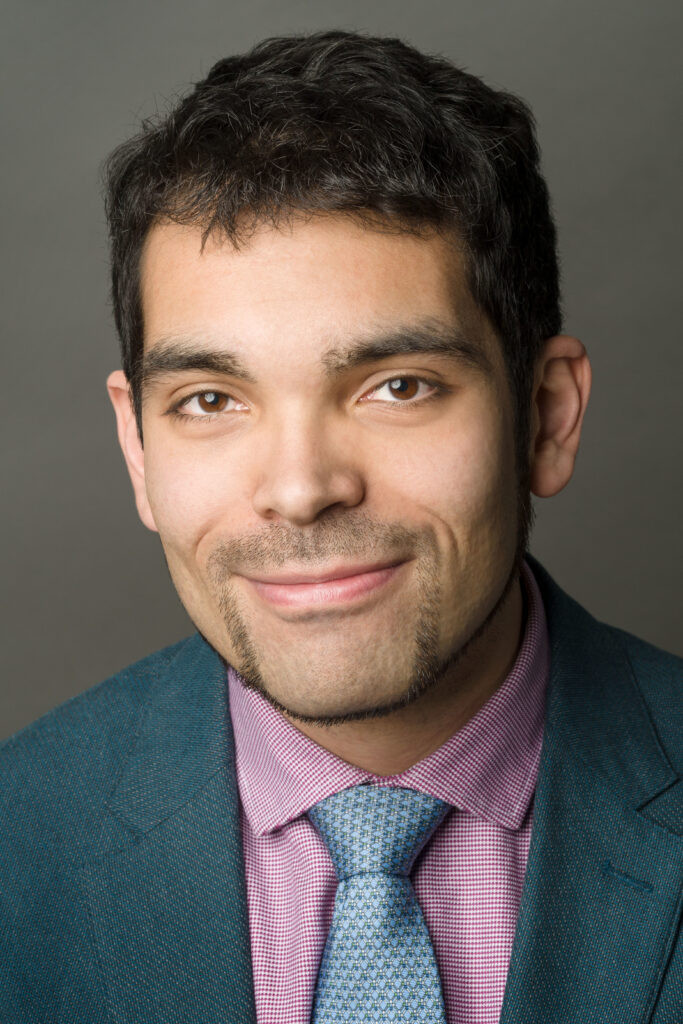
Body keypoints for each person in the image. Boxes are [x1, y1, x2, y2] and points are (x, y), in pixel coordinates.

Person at [1, 28, 681, 1024]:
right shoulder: (19, 842)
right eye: (208, 399)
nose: (300, 486)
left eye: (395, 386)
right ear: (137, 448)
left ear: (543, 415)